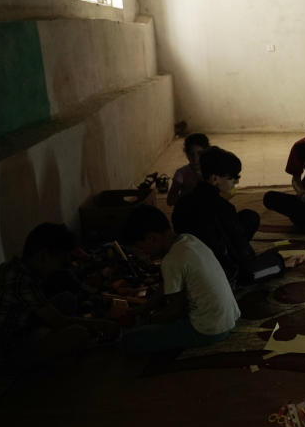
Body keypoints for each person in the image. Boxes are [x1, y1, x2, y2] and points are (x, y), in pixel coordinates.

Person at [0, 223, 119, 372]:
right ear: (43, 256)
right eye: (60, 261)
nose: (61, 267)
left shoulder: (14, 268)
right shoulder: (21, 281)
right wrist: (102, 325)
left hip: (14, 335)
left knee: (66, 300)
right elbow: (60, 321)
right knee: (78, 333)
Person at [121, 205, 240, 354]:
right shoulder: (189, 239)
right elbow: (166, 286)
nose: (143, 254)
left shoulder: (171, 260)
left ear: (152, 238)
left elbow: (175, 311)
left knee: (130, 339)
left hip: (208, 330)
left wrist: (147, 321)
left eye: (142, 249)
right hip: (228, 319)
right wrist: (144, 308)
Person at [172, 147, 283, 285]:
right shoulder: (223, 208)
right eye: (232, 178)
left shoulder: (183, 203)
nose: (236, 182)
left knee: (249, 217)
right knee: (277, 263)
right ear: (214, 179)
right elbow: (244, 255)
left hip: (191, 267)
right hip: (222, 276)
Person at [167, 133, 210, 206]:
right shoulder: (181, 174)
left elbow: (232, 190)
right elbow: (170, 201)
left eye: (200, 153)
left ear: (207, 152)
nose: (195, 159)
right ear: (187, 154)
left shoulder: (213, 170)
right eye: (191, 154)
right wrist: (188, 195)